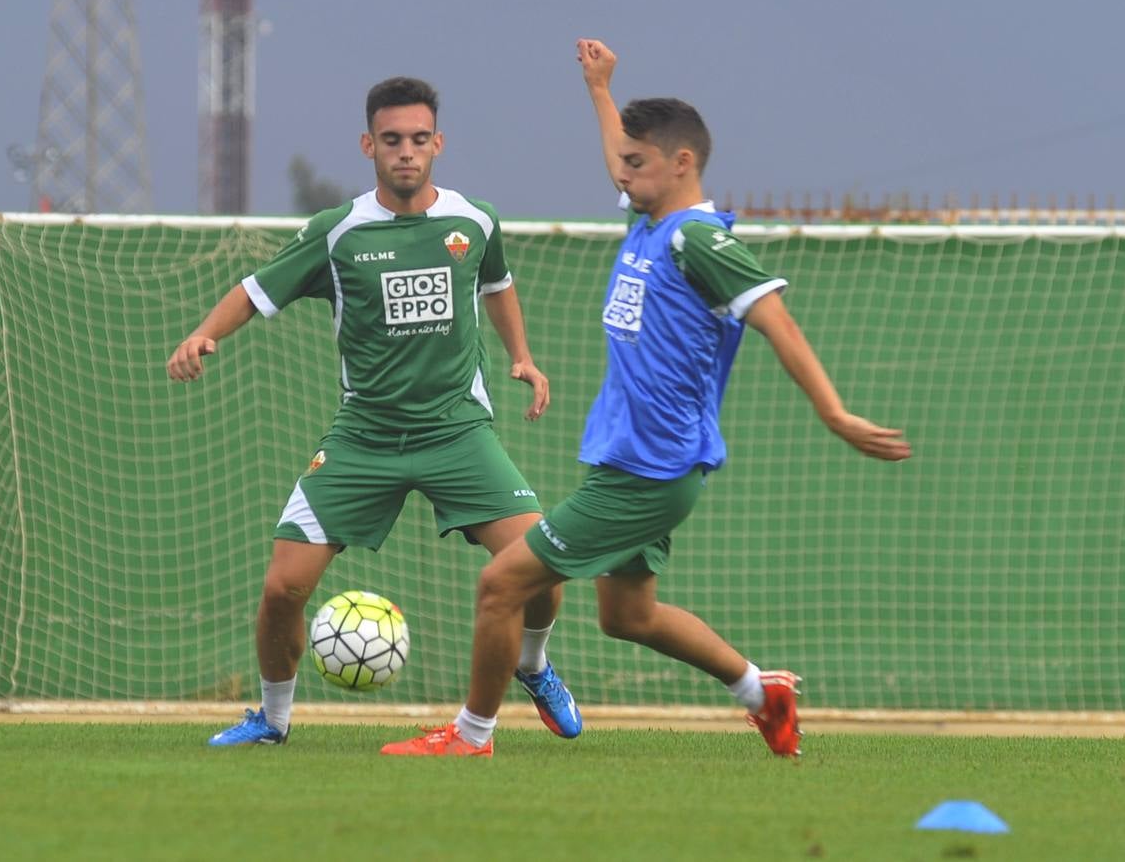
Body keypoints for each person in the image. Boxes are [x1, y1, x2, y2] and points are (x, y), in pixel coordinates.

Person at [381, 40, 911, 758]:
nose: (620, 174)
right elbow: (619, 154)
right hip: (633, 463)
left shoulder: (699, 240)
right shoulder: (649, 222)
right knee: (628, 614)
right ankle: (762, 692)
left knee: (501, 585)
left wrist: (834, 412)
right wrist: (601, 89)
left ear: (681, 164)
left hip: (648, 472)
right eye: (623, 163)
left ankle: (471, 735)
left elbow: (774, 317)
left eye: (636, 164)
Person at [168, 76, 582, 746]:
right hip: (363, 439)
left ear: (438, 143)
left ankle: (533, 665)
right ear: (369, 145)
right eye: (392, 140)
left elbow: (497, 284)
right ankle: (272, 720)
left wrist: (523, 357)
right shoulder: (339, 233)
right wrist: (203, 332)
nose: (406, 153)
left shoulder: (473, 220)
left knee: (543, 566)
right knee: (282, 588)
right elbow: (253, 288)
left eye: (419, 139)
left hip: (456, 433)